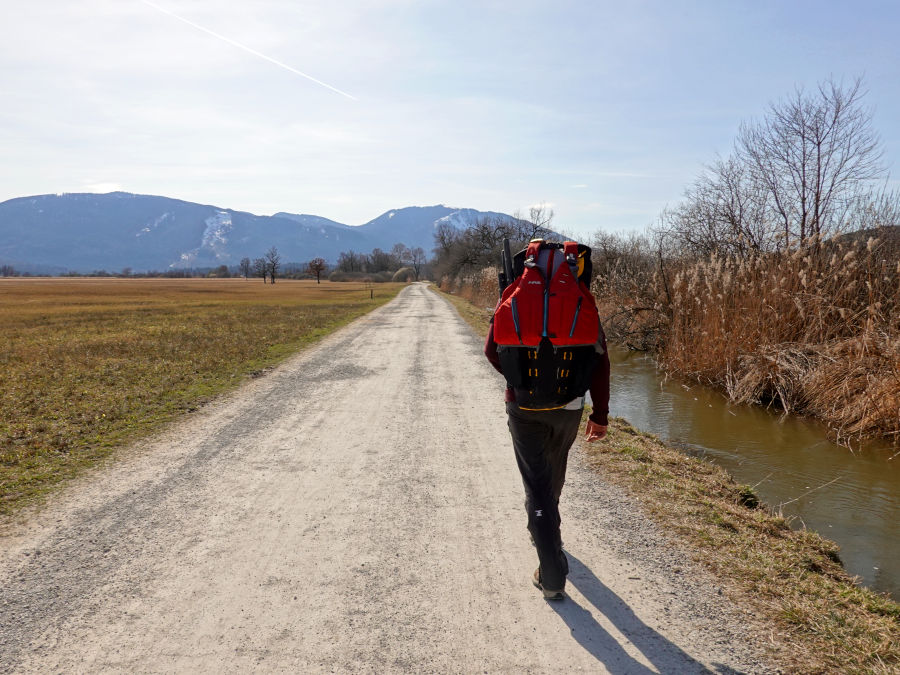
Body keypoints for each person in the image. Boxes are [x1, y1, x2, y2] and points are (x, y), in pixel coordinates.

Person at [484, 283, 610, 601]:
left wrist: (518, 381)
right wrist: (601, 414)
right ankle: (544, 529)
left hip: (523, 407)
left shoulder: (514, 294)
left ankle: (551, 575)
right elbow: (600, 362)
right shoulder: (580, 299)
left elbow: (490, 351)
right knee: (553, 471)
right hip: (569, 407)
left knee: (536, 485)